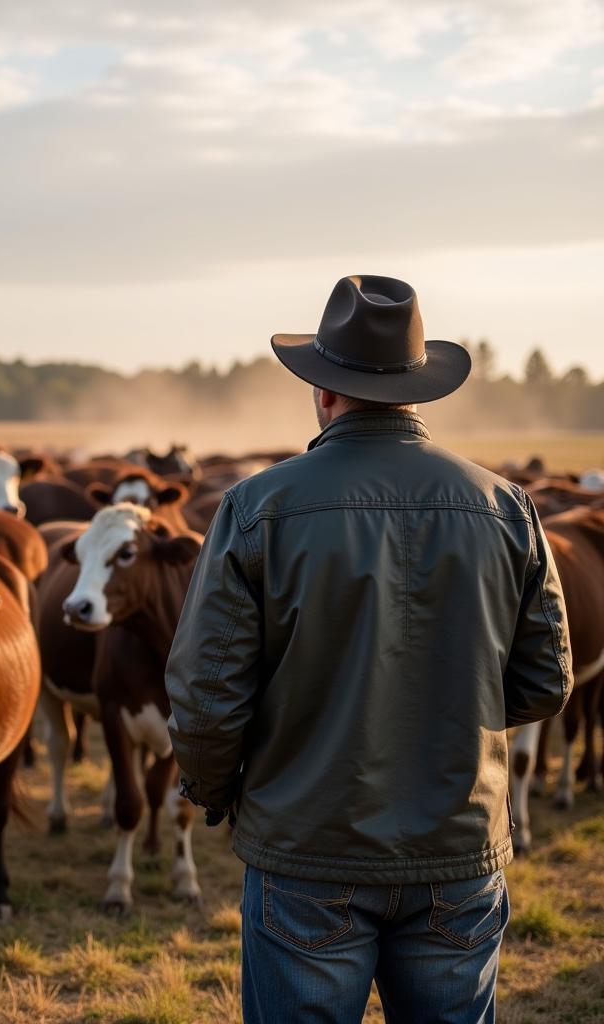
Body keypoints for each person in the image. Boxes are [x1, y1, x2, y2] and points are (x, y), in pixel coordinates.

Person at [165, 275, 572, 1024]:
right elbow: (546, 680)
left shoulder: (258, 509)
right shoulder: (505, 505)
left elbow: (206, 697)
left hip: (306, 844)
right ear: (420, 391)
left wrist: (218, 792)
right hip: (458, 845)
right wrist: (451, 708)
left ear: (322, 393)